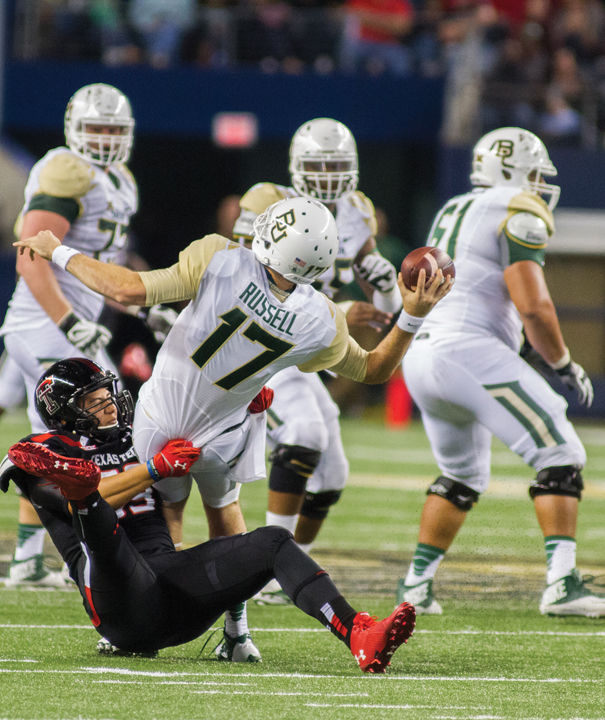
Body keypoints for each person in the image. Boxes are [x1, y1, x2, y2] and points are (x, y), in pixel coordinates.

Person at [14, 195, 451, 653]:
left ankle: (140, 624)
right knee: (229, 521)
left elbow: (128, 290)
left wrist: (58, 251)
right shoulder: (322, 319)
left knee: (163, 524)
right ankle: (238, 633)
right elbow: (375, 369)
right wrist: (412, 315)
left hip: (162, 421)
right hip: (225, 432)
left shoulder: (221, 257)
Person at [0, 357, 416, 673]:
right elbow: (73, 499)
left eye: (109, 396)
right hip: (116, 600)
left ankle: (360, 633)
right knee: (95, 515)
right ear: (65, 413)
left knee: (272, 541)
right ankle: (84, 487)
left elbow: (201, 420)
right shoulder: (40, 452)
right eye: (94, 401)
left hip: (173, 594)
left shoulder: (139, 435)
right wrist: (153, 470)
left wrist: (239, 407)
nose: (109, 407)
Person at [396, 126, 605, 618]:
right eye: (533, 174)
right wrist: (561, 362)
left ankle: (416, 588)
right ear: (511, 172)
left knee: (461, 474)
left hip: (424, 352)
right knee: (561, 450)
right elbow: (533, 305)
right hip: (466, 349)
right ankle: (561, 584)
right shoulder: (517, 207)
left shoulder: (454, 207)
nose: (538, 185)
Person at [232, 118, 403, 604]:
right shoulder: (268, 202)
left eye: (336, 165)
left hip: (306, 347)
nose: (327, 174)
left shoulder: (356, 211)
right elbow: (245, 286)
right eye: (317, 164)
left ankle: (290, 566)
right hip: (263, 348)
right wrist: (339, 311)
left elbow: (381, 308)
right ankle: (267, 568)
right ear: (295, 167)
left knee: (332, 476)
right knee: (304, 433)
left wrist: (386, 286)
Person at [0, 82, 138, 587]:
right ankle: (41, 556)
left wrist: (142, 299)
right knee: (73, 443)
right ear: (74, 129)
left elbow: (106, 260)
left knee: (55, 440)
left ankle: (30, 558)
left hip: (55, 327)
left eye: (112, 129)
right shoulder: (67, 168)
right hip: (47, 326)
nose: (103, 138)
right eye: (95, 128)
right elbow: (29, 251)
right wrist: (68, 319)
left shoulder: (118, 179)